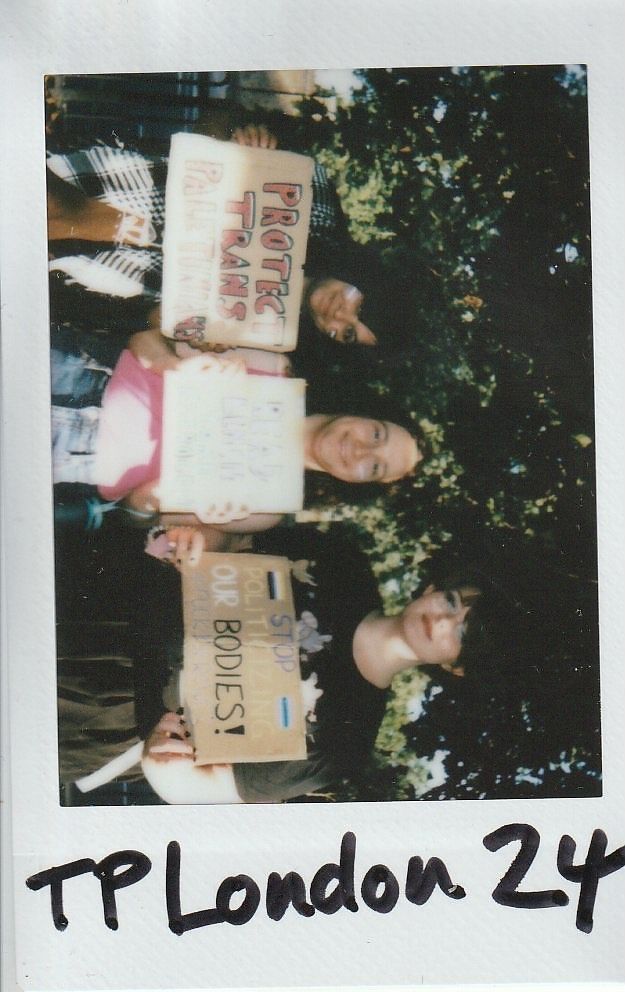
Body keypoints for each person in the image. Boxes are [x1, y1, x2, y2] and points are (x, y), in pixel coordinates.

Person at [56, 526, 520, 804]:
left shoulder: (345, 741)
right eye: (452, 601)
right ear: (433, 587)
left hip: (96, 712)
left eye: (461, 631)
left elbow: (199, 787)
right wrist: (190, 541)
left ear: (456, 666)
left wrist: (162, 761)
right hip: (101, 600)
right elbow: (227, 538)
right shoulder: (343, 564)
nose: (441, 619)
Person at [46, 124, 396, 353]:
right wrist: (239, 139)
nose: (340, 317)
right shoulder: (316, 199)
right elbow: (203, 125)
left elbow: (149, 319)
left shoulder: (264, 336)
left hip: (81, 263)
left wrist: (193, 334)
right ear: (364, 276)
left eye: (348, 333)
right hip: (101, 177)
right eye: (359, 307)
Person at [52, 331, 425, 539]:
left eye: (374, 467)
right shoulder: (275, 367)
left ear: (357, 484)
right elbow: (144, 338)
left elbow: (135, 517)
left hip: (72, 469)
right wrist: (177, 366)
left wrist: (156, 498)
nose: (361, 450)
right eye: (376, 434)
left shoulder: (265, 509)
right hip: (78, 373)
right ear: (365, 411)